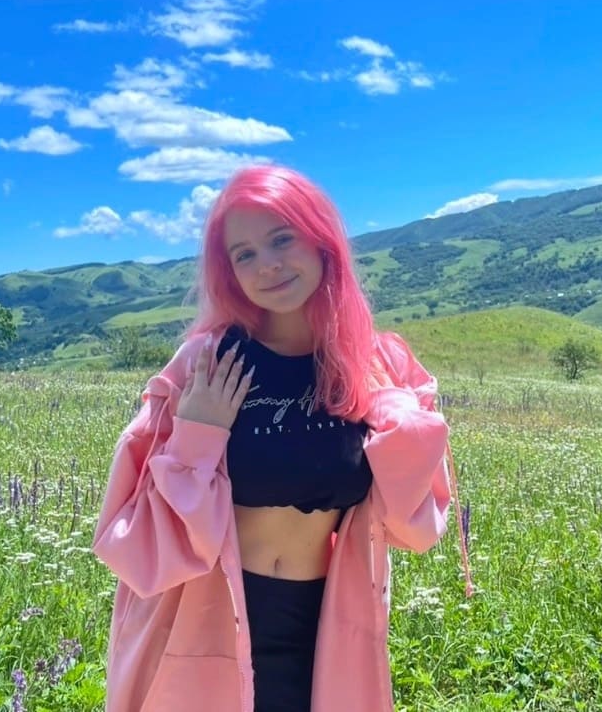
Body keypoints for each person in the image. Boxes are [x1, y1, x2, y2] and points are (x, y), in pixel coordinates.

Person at [92, 164, 462, 712]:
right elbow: (132, 536)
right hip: (203, 621)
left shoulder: (373, 365)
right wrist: (196, 435)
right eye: (244, 254)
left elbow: (416, 527)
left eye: (282, 239)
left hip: (327, 629)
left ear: (320, 238)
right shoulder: (210, 363)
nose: (266, 264)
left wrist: (390, 409)